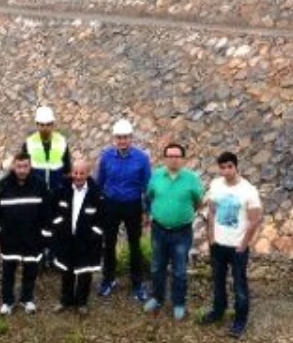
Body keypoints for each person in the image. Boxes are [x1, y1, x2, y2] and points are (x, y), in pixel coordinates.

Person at [202, 151, 262, 339]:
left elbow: (255, 220)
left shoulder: (248, 190)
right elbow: (211, 211)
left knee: (239, 285)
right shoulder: (216, 185)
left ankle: (240, 321)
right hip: (218, 244)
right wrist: (211, 237)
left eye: (229, 167)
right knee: (218, 281)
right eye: (222, 167)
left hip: (237, 247)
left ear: (236, 167)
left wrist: (243, 245)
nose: (226, 171)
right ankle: (218, 311)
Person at [143, 142, 204, 320]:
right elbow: (149, 197)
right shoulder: (156, 177)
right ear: (165, 158)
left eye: (177, 156)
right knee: (156, 267)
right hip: (159, 230)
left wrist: (181, 214)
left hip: (181, 233)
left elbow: (198, 203)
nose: (173, 159)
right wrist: (151, 215)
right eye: (170, 156)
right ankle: (158, 297)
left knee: (179, 270)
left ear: (182, 159)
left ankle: (178, 303)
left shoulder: (192, 179)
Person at [94, 119, 152, 301]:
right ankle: (108, 279)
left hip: (133, 205)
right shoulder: (106, 157)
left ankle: (137, 283)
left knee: (134, 245)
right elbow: (99, 182)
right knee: (108, 243)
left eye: (125, 137)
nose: (122, 141)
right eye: (119, 138)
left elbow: (147, 187)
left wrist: (146, 211)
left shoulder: (142, 158)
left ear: (131, 138)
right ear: (114, 139)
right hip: (110, 205)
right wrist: (97, 206)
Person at [0, 152, 50, 315]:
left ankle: (27, 299)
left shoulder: (39, 185)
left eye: (25, 166)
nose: (22, 170)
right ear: (13, 167)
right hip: (10, 237)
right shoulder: (2, 185)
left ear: (30, 166)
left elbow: (46, 211)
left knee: (31, 270)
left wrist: (45, 234)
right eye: (19, 166)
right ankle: (7, 301)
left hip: (32, 237)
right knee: (8, 271)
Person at [52, 159, 104, 315]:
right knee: (66, 270)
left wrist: (94, 234)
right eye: (75, 172)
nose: (78, 176)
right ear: (71, 173)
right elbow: (54, 211)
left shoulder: (97, 194)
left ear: (88, 174)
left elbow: (102, 218)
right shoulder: (62, 190)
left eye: (82, 173)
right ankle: (65, 299)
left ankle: (82, 302)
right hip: (66, 238)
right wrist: (58, 226)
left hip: (86, 240)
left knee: (84, 271)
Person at [20, 106, 71, 196]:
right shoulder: (29, 143)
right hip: (35, 193)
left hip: (57, 193)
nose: (45, 128)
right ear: (37, 125)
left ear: (53, 125)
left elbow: (67, 171)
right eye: (42, 125)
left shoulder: (62, 142)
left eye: (48, 124)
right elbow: (23, 170)